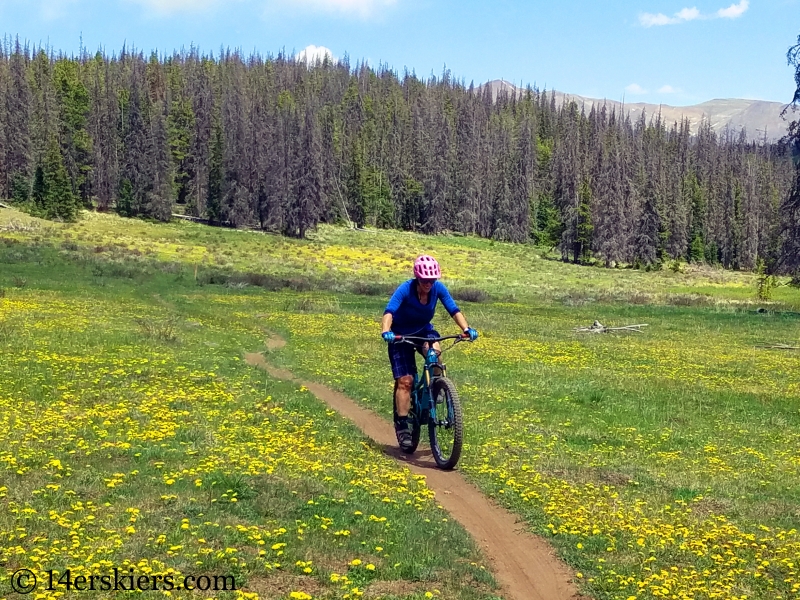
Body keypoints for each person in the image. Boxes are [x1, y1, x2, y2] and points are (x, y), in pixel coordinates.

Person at [381, 254, 478, 451]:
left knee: (436, 354)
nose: (428, 284)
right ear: (417, 277)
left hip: (423, 331)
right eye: (425, 280)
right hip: (400, 335)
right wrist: (386, 331)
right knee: (406, 381)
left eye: (432, 280)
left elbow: (453, 309)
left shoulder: (437, 289)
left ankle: (438, 387)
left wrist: (466, 329)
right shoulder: (405, 289)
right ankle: (403, 425)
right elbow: (389, 311)